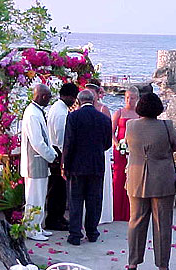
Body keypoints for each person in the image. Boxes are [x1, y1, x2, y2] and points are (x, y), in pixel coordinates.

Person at [125, 93, 176, 270]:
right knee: (162, 224)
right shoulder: (166, 125)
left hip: (136, 178)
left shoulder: (130, 126)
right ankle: (162, 265)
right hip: (162, 179)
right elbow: (175, 146)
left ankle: (133, 262)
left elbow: (128, 145)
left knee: (136, 222)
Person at [62, 90, 112, 246]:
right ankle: (92, 232)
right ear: (93, 100)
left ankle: (75, 234)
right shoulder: (104, 119)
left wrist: (65, 165)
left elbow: (68, 143)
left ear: (79, 100)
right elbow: (107, 144)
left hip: (76, 166)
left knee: (75, 201)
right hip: (96, 165)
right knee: (94, 200)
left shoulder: (73, 117)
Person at [20, 84, 57, 241]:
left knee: (40, 196)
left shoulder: (36, 112)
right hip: (34, 163)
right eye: (48, 97)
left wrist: (51, 153)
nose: (49, 101)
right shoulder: (32, 115)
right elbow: (37, 142)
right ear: (42, 96)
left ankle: (38, 226)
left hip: (40, 162)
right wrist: (52, 157)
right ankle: (31, 230)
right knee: (34, 197)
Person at [45, 83, 79, 231]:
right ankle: (53, 219)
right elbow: (60, 137)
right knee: (57, 189)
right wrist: (64, 158)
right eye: (73, 98)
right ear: (68, 96)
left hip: (57, 151)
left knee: (60, 189)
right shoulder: (60, 112)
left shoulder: (59, 108)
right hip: (58, 152)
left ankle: (59, 216)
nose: (74, 101)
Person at [84, 81, 113, 224]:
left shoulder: (103, 109)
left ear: (97, 94)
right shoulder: (79, 109)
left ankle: (102, 214)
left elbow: (108, 131)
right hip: (85, 152)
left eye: (92, 93)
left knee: (101, 182)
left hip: (101, 150)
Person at [112, 86, 139, 221]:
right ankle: (116, 211)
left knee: (132, 179)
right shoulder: (119, 112)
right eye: (127, 98)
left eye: (132, 98)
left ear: (137, 99)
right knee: (118, 178)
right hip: (120, 150)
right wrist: (117, 145)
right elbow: (111, 131)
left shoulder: (139, 114)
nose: (129, 100)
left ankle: (130, 211)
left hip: (135, 151)